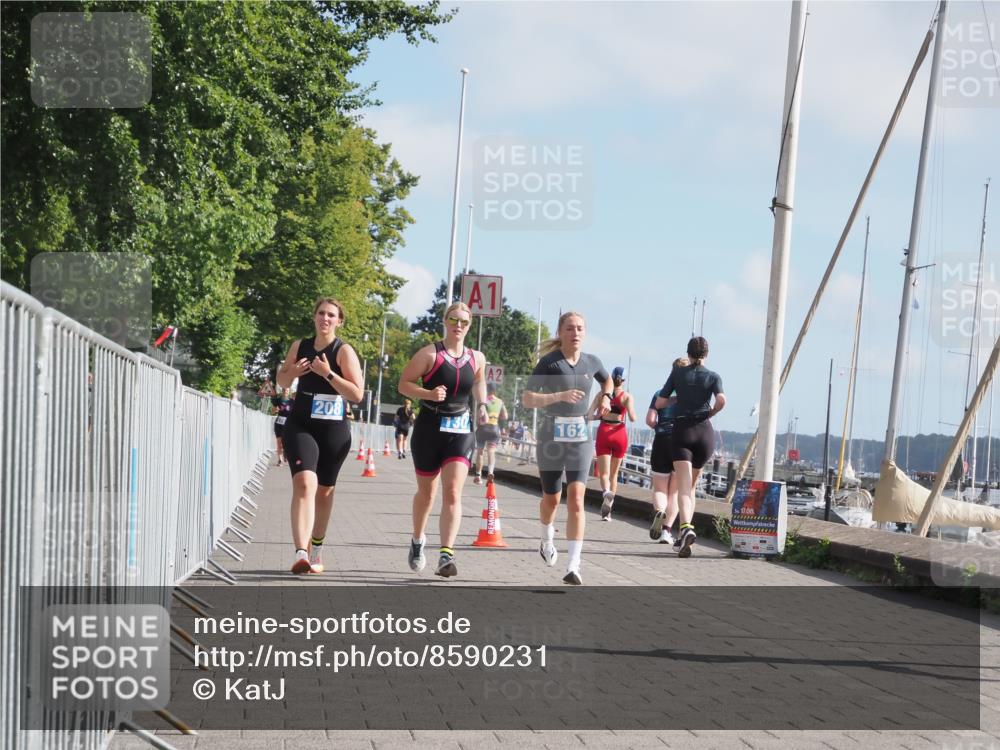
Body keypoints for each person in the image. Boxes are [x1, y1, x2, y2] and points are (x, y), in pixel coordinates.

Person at [398, 302, 487, 578]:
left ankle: (446, 554)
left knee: (452, 492)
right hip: (429, 428)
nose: (458, 325)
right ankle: (417, 540)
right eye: (453, 320)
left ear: (469, 325)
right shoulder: (429, 354)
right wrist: (427, 394)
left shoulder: (477, 358)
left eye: (463, 321)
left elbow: (479, 382)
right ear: (445, 321)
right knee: (427, 493)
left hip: (460, 429)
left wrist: (482, 403)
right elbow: (403, 384)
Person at [522, 311, 611, 585]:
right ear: (560, 333)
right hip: (551, 434)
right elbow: (527, 398)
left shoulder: (592, 361)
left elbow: (606, 379)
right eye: (570, 328)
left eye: (580, 328)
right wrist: (559, 396)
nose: (576, 333)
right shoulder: (549, 363)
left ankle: (574, 565)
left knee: (576, 499)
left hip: (580, 435)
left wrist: (606, 396)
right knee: (552, 498)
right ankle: (546, 536)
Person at [276, 298, 364, 574]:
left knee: (324, 493)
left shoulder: (343, 351)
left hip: (333, 431)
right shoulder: (299, 346)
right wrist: (293, 371)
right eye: (321, 313)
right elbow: (282, 381)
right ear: (314, 317)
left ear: (339, 321)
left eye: (331, 315)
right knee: (304, 484)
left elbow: (357, 395)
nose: (325, 318)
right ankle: (300, 551)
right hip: (301, 424)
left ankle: (316, 549)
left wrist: (328, 374)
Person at [655, 337, 725, 558]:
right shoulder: (713, 376)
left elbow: (660, 402)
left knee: (683, 488)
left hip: (682, 431)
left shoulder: (678, 374)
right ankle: (683, 537)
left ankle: (685, 528)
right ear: (707, 354)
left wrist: (676, 401)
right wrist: (711, 412)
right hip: (705, 432)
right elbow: (722, 400)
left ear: (688, 353)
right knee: (692, 488)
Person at [646, 357, 688, 544]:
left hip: (661, 440)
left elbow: (650, 420)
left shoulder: (659, 393)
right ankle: (666, 531)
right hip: (681, 442)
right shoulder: (689, 395)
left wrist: (660, 425)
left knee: (660, 488)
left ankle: (660, 511)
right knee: (675, 492)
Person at [591, 365, 636, 520]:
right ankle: (608, 512)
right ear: (623, 380)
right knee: (614, 474)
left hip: (604, 432)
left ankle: (606, 493)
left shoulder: (602, 395)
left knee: (604, 473)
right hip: (619, 434)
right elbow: (632, 418)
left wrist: (598, 415)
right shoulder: (627, 397)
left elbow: (590, 416)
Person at [473, 382, 507, 485]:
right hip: (494, 429)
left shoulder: (483, 402)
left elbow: (478, 416)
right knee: (491, 451)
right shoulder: (500, 402)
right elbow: (505, 416)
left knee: (480, 452)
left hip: (482, 429)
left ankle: (478, 476)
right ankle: (490, 473)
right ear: (495, 391)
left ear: (486, 390)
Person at [271, 386, 294, 466]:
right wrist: (275, 410)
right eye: (284, 390)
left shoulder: (292, 402)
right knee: (279, 443)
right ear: (282, 391)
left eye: (287, 390)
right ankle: (280, 460)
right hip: (279, 424)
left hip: (288, 424)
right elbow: (273, 411)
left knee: (286, 443)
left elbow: (294, 414)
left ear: (289, 391)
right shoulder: (278, 400)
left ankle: (285, 453)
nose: (285, 391)